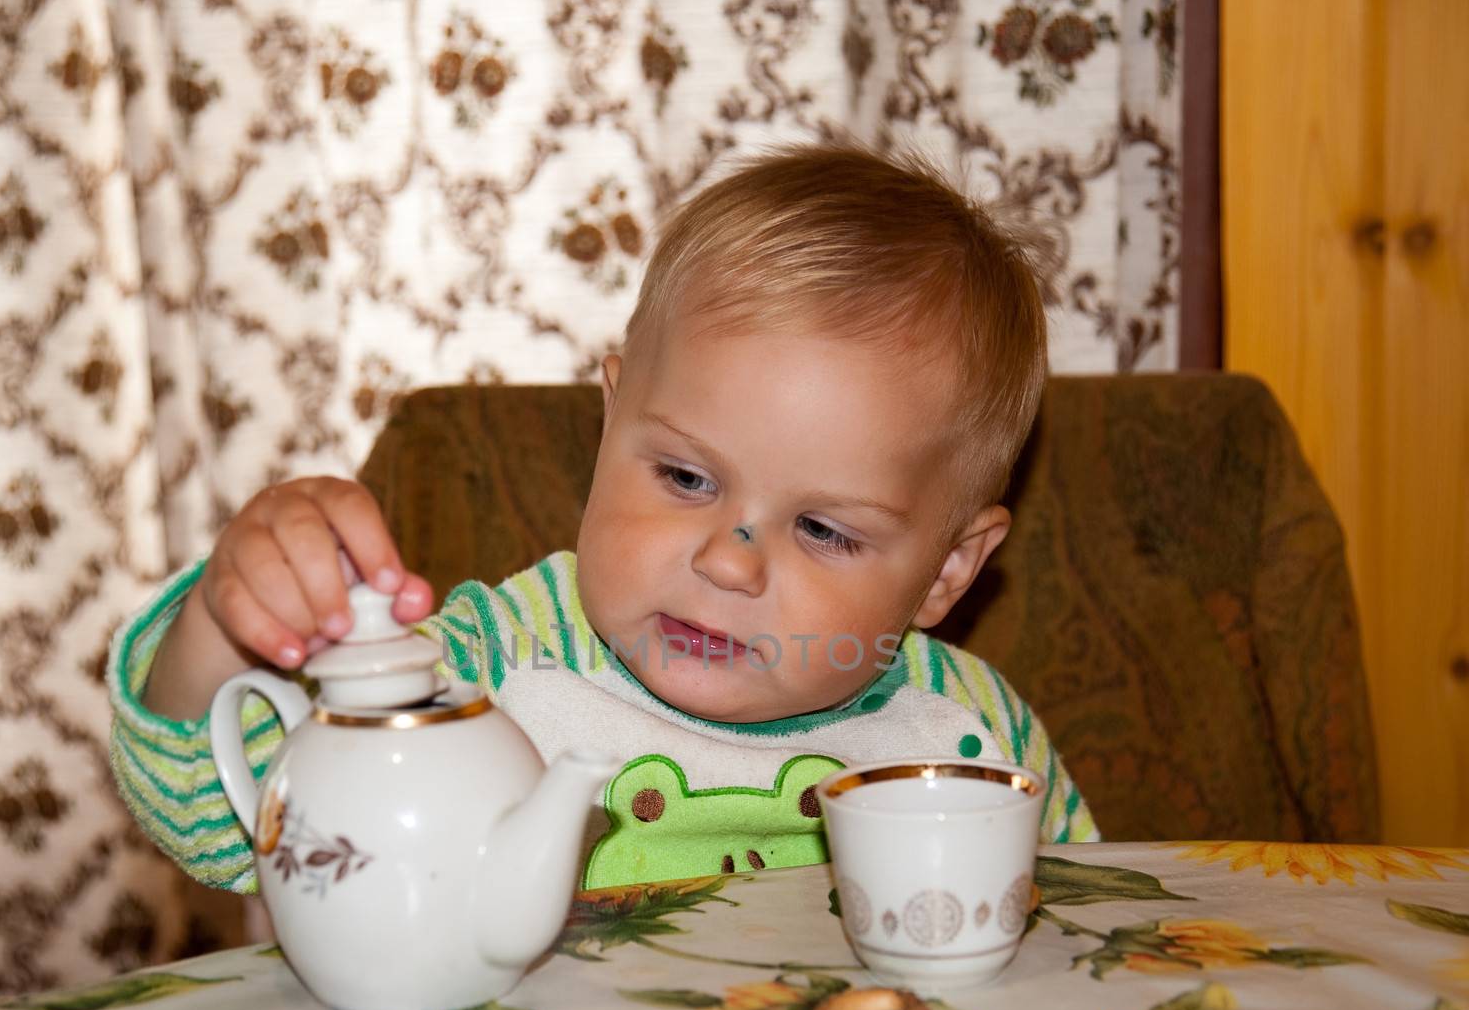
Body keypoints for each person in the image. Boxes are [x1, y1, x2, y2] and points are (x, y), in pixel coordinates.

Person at [109, 142, 1098, 896]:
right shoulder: (491, 668)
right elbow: (217, 820)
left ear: (945, 575)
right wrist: (229, 622)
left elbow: (1102, 944)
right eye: (683, 477)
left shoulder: (975, 743)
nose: (728, 563)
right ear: (609, 419)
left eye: (822, 531)